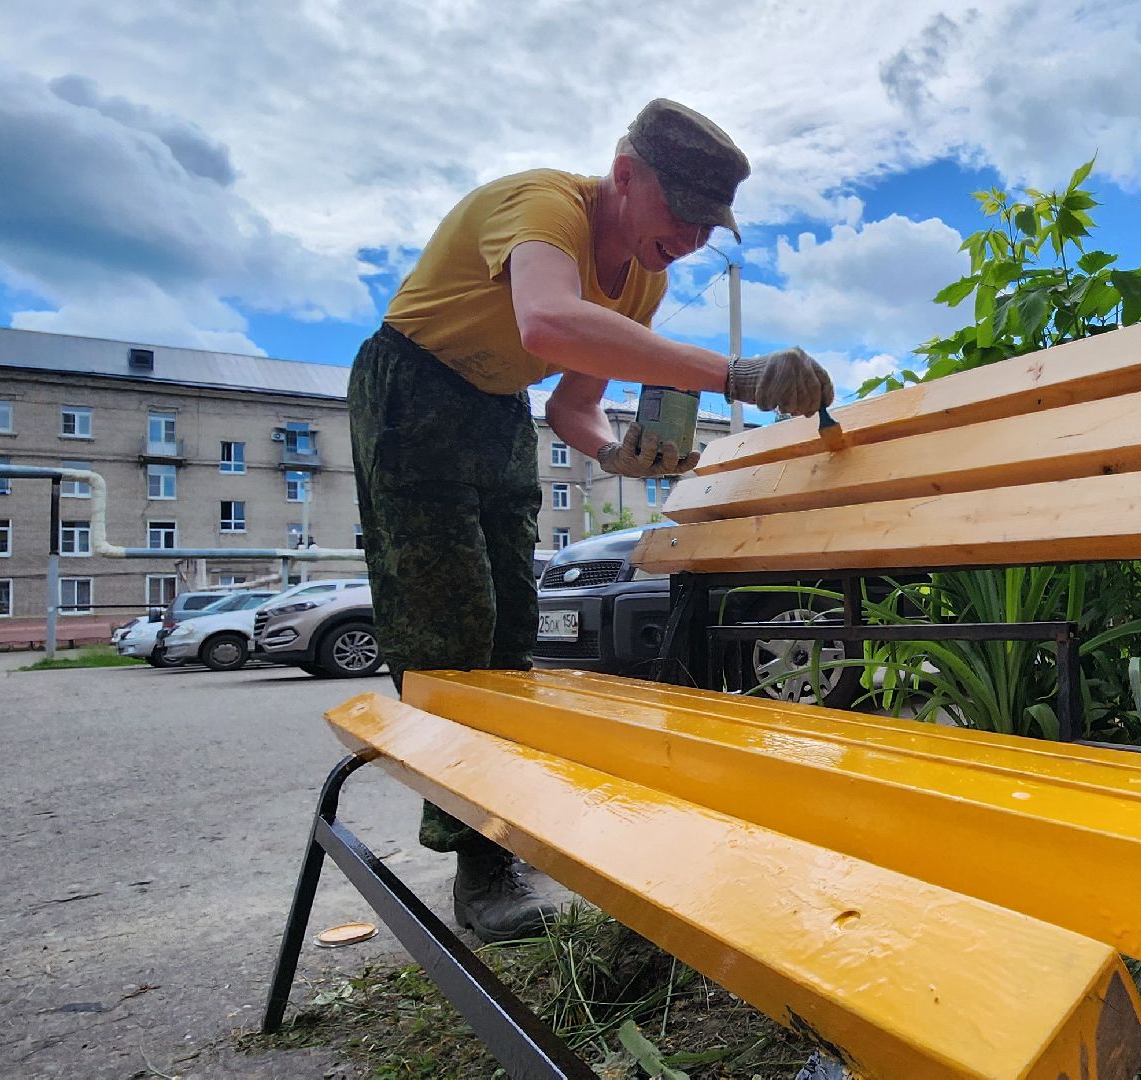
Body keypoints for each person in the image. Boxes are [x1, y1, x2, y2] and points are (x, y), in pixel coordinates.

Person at [349, 98, 835, 942]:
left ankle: (495, 838)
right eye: (679, 213)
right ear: (624, 177)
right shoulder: (542, 204)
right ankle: (477, 862)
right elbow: (547, 322)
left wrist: (616, 455)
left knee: (510, 621)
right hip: (412, 389)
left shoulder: (646, 277)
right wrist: (737, 374)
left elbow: (576, 404)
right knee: (446, 624)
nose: (688, 239)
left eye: (705, 225)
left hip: (498, 408)